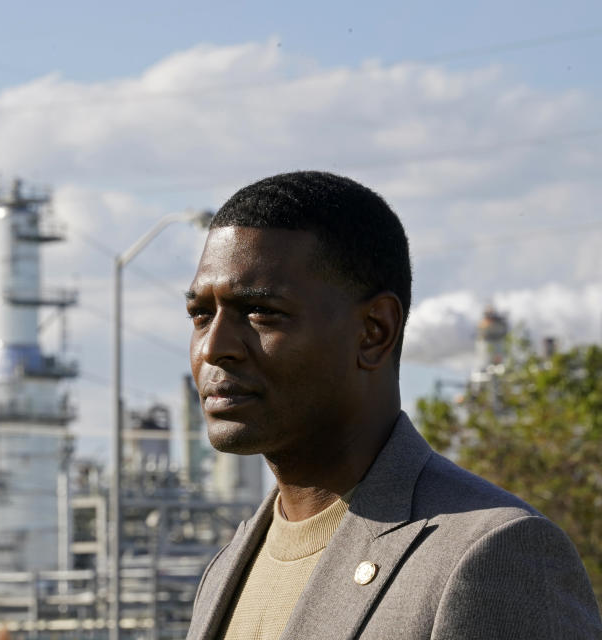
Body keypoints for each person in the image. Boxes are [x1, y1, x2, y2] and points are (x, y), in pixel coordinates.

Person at [184, 171, 602, 639]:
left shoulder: (493, 552)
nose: (214, 347)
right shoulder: (227, 568)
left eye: (262, 312)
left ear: (375, 332)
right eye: (201, 315)